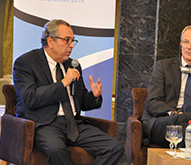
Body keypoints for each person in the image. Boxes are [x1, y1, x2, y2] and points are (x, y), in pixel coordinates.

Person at [13, 19, 124, 165]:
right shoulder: (26, 63)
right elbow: (30, 99)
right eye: (67, 40)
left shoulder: (73, 65)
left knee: (114, 147)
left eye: (73, 40)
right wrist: (63, 83)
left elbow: (82, 102)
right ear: (50, 41)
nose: (71, 45)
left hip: (73, 124)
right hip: (45, 124)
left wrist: (94, 96)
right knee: (56, 149)